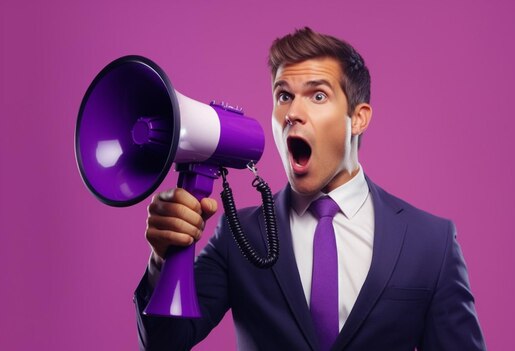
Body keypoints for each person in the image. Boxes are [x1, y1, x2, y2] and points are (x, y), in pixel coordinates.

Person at [134, 27, 486, 350]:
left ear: (358, 118)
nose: (292, 113)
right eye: (283, 96)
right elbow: (165, 343)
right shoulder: (238, 235)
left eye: (318, 96)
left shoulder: (430, 242)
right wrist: (165, 259)